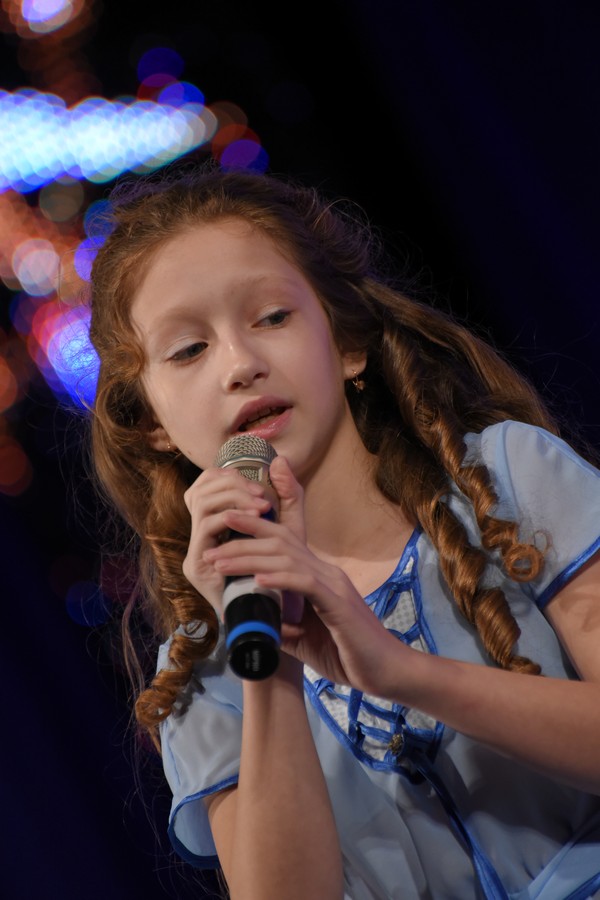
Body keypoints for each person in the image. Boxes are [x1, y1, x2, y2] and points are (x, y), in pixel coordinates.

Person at [87, 163, 600, 900]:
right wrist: (268, 658)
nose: (241, 364)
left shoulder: (509, 478)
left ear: (348, 342)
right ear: (152, 424)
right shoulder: (202, 667)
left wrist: (399, 671)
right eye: (189, 350)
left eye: (272, 317)